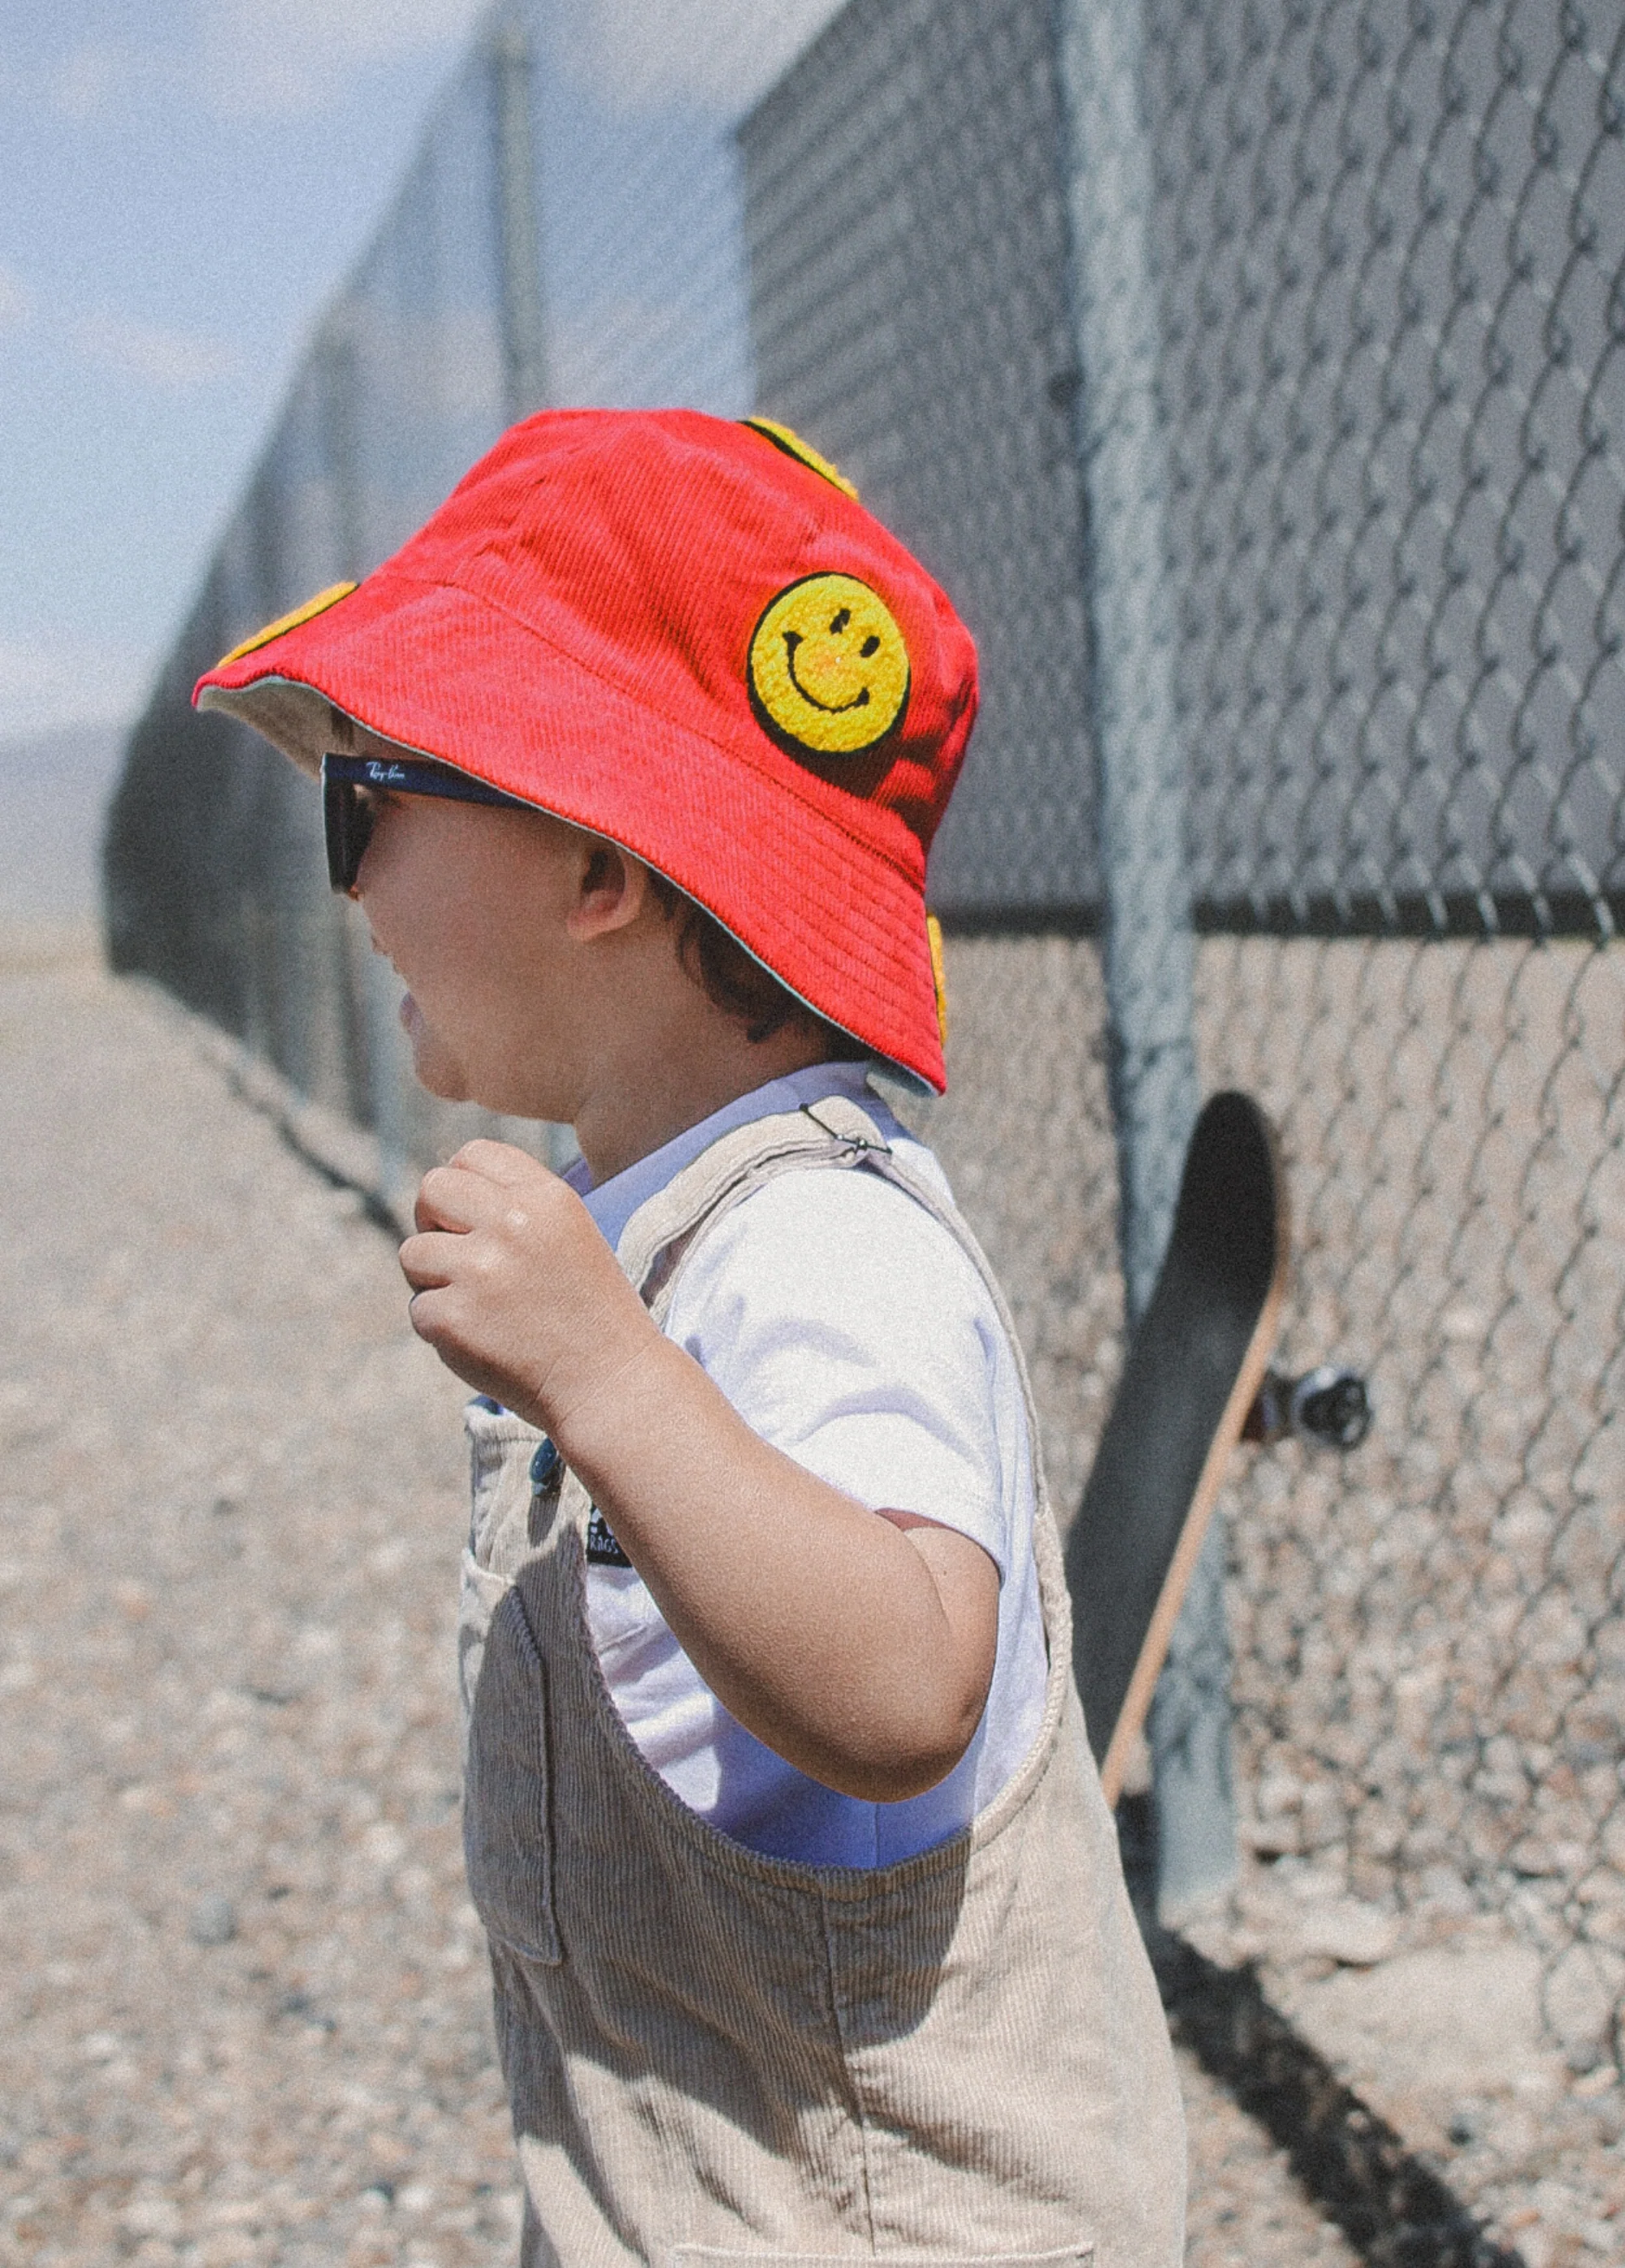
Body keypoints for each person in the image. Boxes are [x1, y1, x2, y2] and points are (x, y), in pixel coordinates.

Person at [194, 408, 1185, 2265]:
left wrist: (612, 1379)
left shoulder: (810, 1244)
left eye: (370, 798)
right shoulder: (665, 1212)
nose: (348, 884)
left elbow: (904, 1682)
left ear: (597, 871)